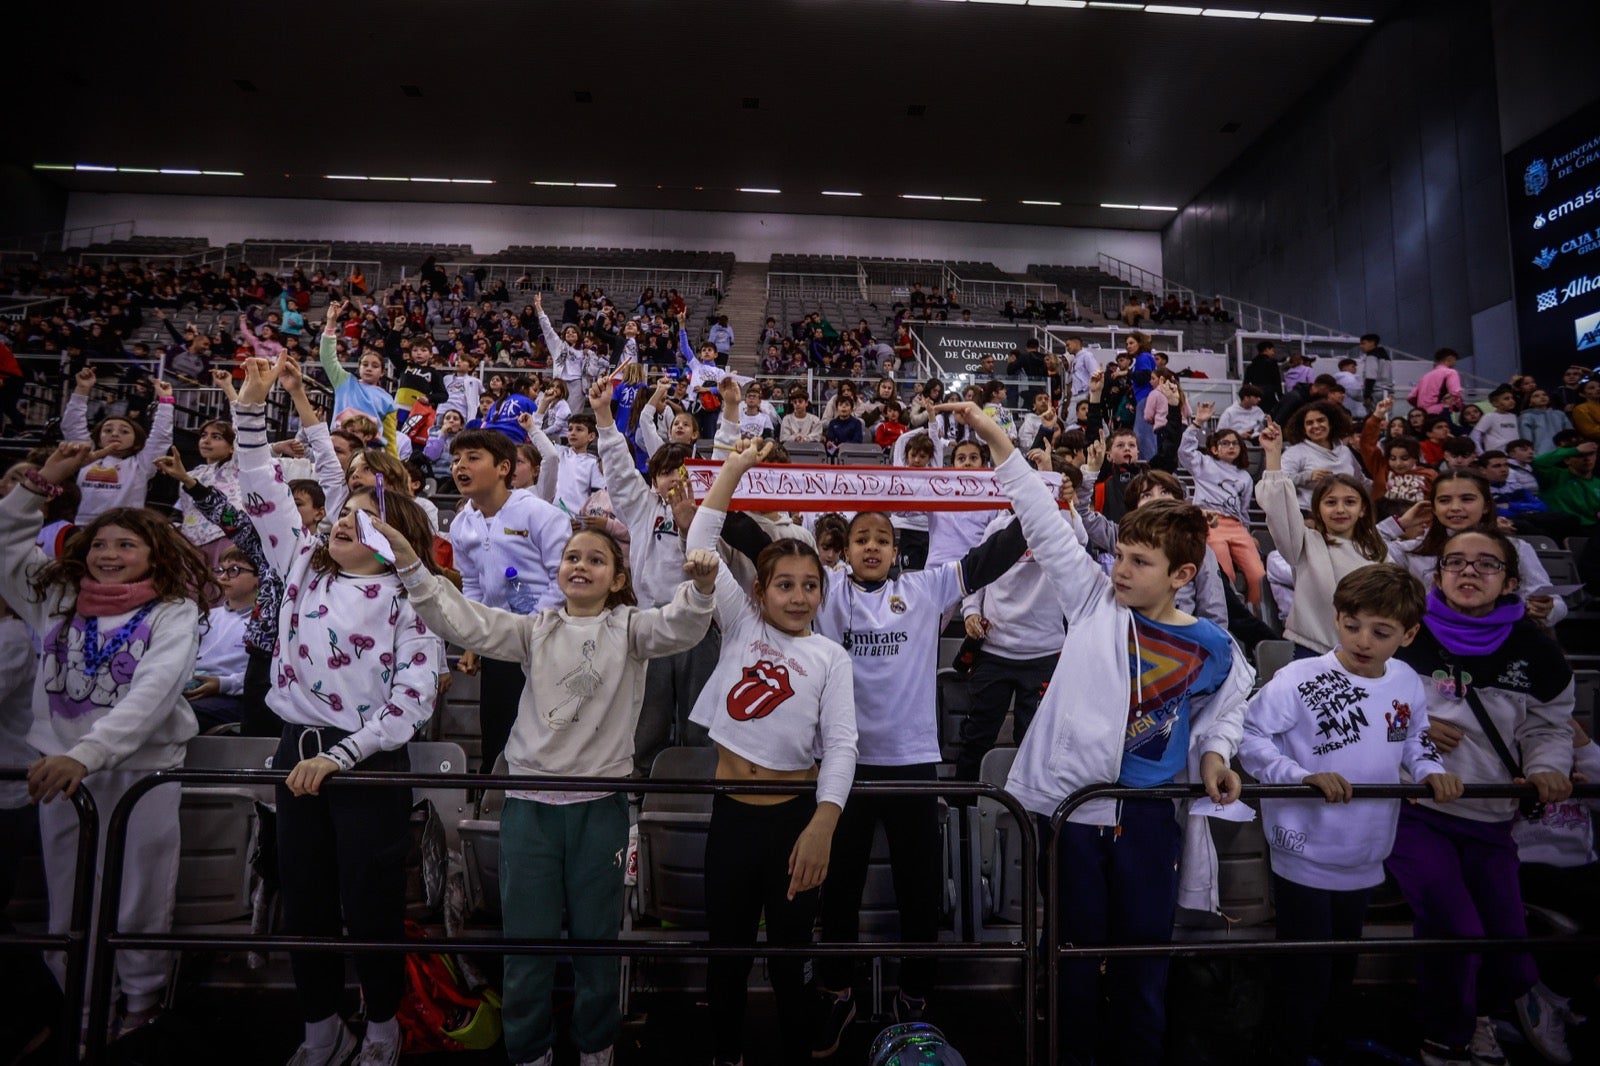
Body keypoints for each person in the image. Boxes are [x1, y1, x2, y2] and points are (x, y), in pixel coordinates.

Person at [938, 400, 1250, 1066]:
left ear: (1183, 576)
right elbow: (1044, 522)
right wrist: (996, 437)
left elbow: (1228, 704)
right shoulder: (1089, 599)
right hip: (1076, 815)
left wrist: (1219, 754)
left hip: (1150, 817)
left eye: (1139, 562)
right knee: (1075, 955)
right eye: (1123, 555)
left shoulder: (1216, 646)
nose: (1121, 569)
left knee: (1144, 956)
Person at [376, 515, 717, 1066]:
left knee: (597, 945)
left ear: (617, 577)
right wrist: (410, 562)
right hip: (529, 808)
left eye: (596, 559)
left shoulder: (631, 629)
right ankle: (529, 1051)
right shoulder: (534, 629)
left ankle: (596, 1047)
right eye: (573, 557)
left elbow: (682, 626)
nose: (581, 565)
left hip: (601, 808)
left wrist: (701, 586)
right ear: (558, 570)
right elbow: (462, 620)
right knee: (526, 947)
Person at [232, 355, 445, 1066]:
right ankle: (321, 1026)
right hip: (296, 750)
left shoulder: (411, 600)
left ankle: (381, 1026)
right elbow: (262, 486)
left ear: (396, 536)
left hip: (369, 762)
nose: (340, 520)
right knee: (307, 904)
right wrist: (255, 407)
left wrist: (341, 756)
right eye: (339, 515)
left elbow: (411, 702)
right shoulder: (297, 563)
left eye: (362, 515)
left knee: (371, 903)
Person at [0, 442, 211, 1038]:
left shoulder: (174, 612)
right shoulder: (55, 599)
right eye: (99, 544)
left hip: (141, 772)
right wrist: (38, 484)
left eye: (126, 544)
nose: (109, 555)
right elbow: (4, 549)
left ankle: (140, 1004)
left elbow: (153, 696)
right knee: (68, 887)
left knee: (140, 885)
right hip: (59, 770)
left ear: (154, 554)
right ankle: (82, 1006)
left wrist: (85, 755)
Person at [808, 501, 1027, 1051]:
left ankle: (915, 995)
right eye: (861, 538)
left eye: (882, 537)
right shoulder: (826, 591)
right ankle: (837, 991)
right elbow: (766, 553)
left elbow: (988, 560)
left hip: (912, 762)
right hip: (845, 762)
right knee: (839, 888)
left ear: (896, 550)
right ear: (847, 549)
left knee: (920, 888)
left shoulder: (927, 589)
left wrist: (1035, 504)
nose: (873, 546)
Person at [1240, 564, 1461, 1064]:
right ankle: (1291, 1050)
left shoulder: (1405, 679)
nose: (1363, 640)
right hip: (1303, 849)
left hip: (1366, 848)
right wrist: (1297, 775)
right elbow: (1249, 736)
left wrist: (1430, 769)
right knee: (1305, 971)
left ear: (1408, 635)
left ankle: (1330, 1045)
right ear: (1336, 618)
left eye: (1381, 632)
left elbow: (1414, 739)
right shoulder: (1300, 677)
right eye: (1351, 624)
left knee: (1342, 966)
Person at [686, 440, 858, 1066]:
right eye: (784, 584)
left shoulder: (829, 657)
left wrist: (823, 824)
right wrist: (734, 469)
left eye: (810, 586)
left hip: (794, 820)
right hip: (731, 818)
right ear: (759, 591)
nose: (797, 595)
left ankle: (799, 1048)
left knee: (791, 963)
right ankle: (725, 1055)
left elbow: (841, 747)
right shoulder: (741, 624)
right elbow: (700, 540)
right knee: (725, 957)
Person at [1389, 528, 1576, 1066]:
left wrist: (1546, 768)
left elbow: (1549, 727)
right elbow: (1361, 699)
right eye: (1456, 562)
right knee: (1456, 927)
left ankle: (1484, 1019)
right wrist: (1413, 733)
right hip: (1415, 811)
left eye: (1486, 565)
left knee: (1508, 943)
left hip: (1492, 819)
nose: (1469, 572)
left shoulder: (1538, 649)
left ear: (1510, 581)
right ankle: (1445, 1039)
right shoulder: (1406, 632)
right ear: (1438, 572)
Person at [591, 380, 718, 775]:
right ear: (654, 479)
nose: (672, 479)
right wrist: (603, 417)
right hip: (651, 622)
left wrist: (688, 526)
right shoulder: (643, 508)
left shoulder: (711, 516)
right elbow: (617, 467)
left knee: (700, 722)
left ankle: (701, 794)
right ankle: (642, 799)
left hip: (700, 624)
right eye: (664, 473)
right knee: (649, 720)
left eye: (681, 472)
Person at [447, 429, 569, 775]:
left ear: (504, 468)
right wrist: (474, 637)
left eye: (472, 458)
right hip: (500, 644)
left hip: (548, 642)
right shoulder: (461, 525)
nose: (459, 467)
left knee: (545, 734)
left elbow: (561, 578)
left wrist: (533, 629)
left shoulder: (539, 513)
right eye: (456, 460)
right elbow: (471, 584)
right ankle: (493, 805)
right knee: (498, 734)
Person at [1257, 421, 1388, 657]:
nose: (1340, 509)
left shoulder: (1378, 551)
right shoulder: (1304, 543)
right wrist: (1273, 454)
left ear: (1363, 510)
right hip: (1313, 648)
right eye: (1330, 502)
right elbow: (1279, 510)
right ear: (1317, 509)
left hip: (1366, 651)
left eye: (1349, 502)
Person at [1381, 472, 1568, 627]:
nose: (1455, 507)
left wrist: (1546, 609)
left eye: (1467, 499)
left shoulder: (1516, 548)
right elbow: (1359, 550)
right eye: (1444, 500)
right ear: (1434, 508)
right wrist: (1399, 524)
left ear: (1486, 506)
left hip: (1501, 639)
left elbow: (1555, 603)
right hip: (1429, 639)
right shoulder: (1413, 550)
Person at [61, 367, 175, 522]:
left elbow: (161, 436)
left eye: (124, 431)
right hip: (83, 528)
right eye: (107, 430)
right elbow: (72, 425)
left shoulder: (141, 465)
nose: (114, 434)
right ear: (99, 439)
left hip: (126, 528)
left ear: (136, 443)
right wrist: (82, 389)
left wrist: (166, 401)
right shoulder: (86, 457)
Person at [1178, 409, 1263, 603]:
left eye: (1235, 443)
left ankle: (1255, 614)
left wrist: (1248, 533)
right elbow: (1184, 451)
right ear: (1215, 449)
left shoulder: (1245, 477)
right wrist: (1197, 423)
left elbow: (1243, 511)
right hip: (1210, 523)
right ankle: (1228, 617)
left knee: (1258, 575)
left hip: (1237, 527)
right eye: (1225, 443)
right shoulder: (1204, 464)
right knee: (1226, 574)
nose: (1231, 446)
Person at [316, 303, 400, 455]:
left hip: (371, 451)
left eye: (375, 366)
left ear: (382, 372)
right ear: (359, 368)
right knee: (335, 479)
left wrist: (395, 471)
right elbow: (327, 357)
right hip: (338, 446)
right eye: (365, 364)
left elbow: (390, 439)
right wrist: (331, 323)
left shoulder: (388, 399)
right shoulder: (344, 381)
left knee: (378, 479)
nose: (369, 368)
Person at [1280, 401, 1367, 510]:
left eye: (1321, 420)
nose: (1316, 426)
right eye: (1309, 423)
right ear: (1303, 429)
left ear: (1330, 423)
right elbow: (1279, 482)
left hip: (1345, 513)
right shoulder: (1294, 453)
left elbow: (1361, 481)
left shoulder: (1345, 451)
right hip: (1309, 514)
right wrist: (1307, 476)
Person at [1532, 439, 1600, 533]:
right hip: (1560, 529)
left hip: (1592, 530)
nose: (1587, 459)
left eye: (1591, 454)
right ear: (1567, 460)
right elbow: (1537, 462)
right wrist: (1575, 450)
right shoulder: (1553, 476)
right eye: (1580, 455)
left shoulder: (1597, 483)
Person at [1407, 348, 1465, 417]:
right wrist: (1461, 409)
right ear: (1450, 359)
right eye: (1455, 360)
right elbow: (1455, 393)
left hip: (1423, 415)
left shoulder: (1425, 376)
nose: (1455, 363)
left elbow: (1411, 397)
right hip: (1440, 412)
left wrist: (1421, 408)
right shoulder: (1451, 372)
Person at [1518, 388, 1573, 456]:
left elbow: (1570, 434)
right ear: (1530, 402)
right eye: (1536, 396)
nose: (1542, 397)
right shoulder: (1526, 417)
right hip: (1541, 455)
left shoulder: (1559, 414)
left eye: (1544, 394)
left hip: (1564, 454)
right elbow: (1526, 440)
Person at [1472, 386, 1522, 454]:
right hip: (1496, 454)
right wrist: (1480, 453)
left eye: (1512, 398)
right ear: (1495, 403)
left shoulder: (1514, 417)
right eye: (1506, 399)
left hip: (1514, 455)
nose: (1511, 401)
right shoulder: (1489, 416)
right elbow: (1474, 436)